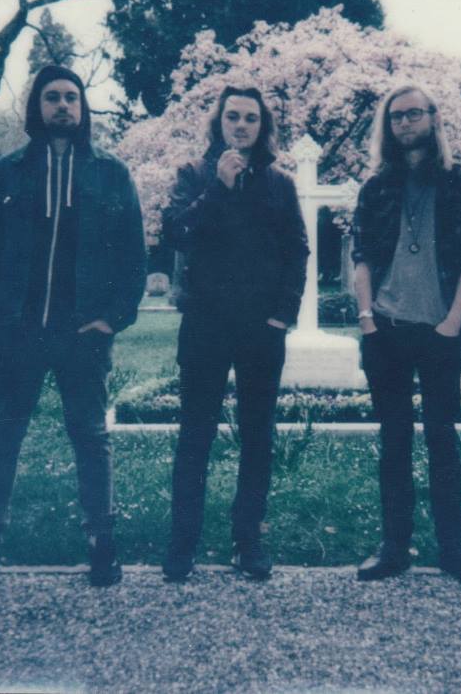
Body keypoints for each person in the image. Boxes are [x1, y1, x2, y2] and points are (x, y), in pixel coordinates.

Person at [0, 65, 147, 591]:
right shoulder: (5, 174)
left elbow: (133, 257)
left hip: (83, 334)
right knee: (3, 437)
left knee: (91, 437)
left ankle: (103, 545)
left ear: (82, 108)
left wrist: (112, 318)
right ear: (37, 106)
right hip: (19, 332)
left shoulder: (111, 174)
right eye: (52, 97)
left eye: (71, 97)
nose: (62, 106)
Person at [161, 86, 308, 581]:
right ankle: (182, 543)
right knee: (195, 434)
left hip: (260, 329)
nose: (241, 126)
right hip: (205, 324)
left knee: (257, 435)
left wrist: (283, 315)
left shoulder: (279, 184)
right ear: (219, 123)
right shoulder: (194, 175)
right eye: (233, 117)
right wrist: (218, 189)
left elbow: (297, 251)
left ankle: (248, 542)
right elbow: (177, 234)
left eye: (250, 118)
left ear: (262, 127)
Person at [351, 84, 461, 585]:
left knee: (441, 440)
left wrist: (453, 321)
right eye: (396, 117)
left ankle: (453, 549)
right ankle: (394, 548)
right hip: (386, 329)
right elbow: (361, 256)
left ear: (433, 117)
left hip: (439, 331)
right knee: (394, 441)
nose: (405, 123)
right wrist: (367, 319)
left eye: (413, 114)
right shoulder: (376, 186)